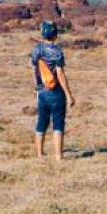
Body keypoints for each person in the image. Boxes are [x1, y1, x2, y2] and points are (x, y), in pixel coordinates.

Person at [31, 21, 76, 161]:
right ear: (55, 35)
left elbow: (35, 72)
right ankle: (58, 157)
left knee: (41, 123)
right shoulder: (57, 51)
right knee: (58, 123)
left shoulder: (37, 50)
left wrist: (38, 91)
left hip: (43, 92)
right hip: (56, 93)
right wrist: (69, 95)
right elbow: (60, 74)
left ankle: (40, 155)